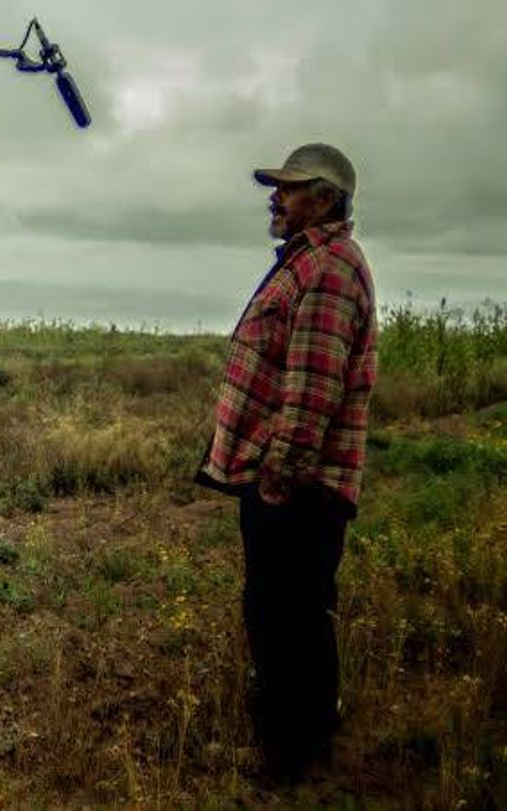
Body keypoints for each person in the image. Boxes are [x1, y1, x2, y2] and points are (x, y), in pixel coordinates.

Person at [196, 143, 378, 779]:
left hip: (296, 488)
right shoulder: (310, 262)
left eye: (289, 187)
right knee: (282, 612)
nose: (275, 197)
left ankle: (293, 757)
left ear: (325, 199)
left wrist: (277, 481)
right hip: (285, 481)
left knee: (288, 616)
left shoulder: (329, 269)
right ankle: (298, 739)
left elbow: (313, 391)